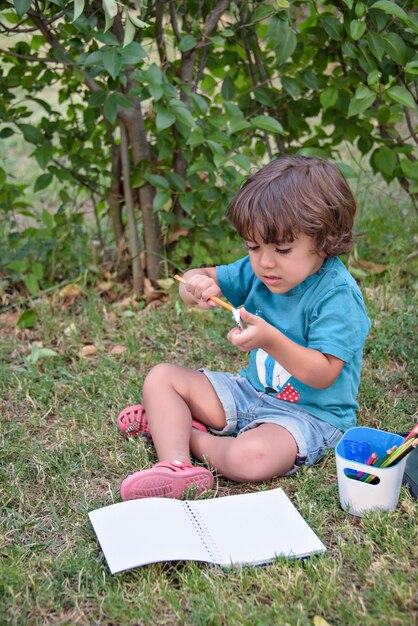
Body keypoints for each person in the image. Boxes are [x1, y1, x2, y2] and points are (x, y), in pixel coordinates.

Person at [118, 155, 371, 501]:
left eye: (282, 249)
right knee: (161, 378)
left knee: (248, 459)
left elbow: (324, 373)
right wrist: (194, 287)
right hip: (248, 393)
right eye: (253, 247)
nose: (266, 261)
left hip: (309, 417)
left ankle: (182, 432)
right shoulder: (261, 270)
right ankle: (174, 466)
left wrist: (269, 338)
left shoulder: (336, 295)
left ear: (325, 241)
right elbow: (203, 277)